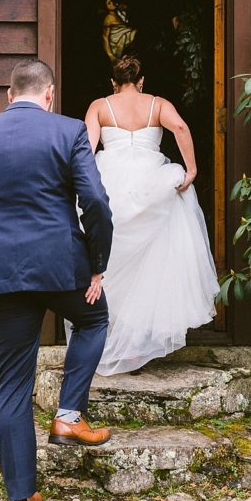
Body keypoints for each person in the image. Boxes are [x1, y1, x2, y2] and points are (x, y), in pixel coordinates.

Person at [0, 60, 115, 501]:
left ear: (8, 96)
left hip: (0, 276)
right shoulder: (67, 132)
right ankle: (68, 415)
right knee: (94, 318)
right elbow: (96, 202)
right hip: (62, 269)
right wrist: (96, 266)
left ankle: (19, 500)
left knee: (12, 385)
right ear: (50, 95)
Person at [81, 55, 220, 375]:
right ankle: (140, 342)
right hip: (151, 184)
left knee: (113, 261)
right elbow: (181, 127)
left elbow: (87, 148)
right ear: (141, 81)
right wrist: (192, 169)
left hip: (112, 184)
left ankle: (114, 336)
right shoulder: (158, 104)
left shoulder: (100, 106)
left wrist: (86, 185)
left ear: (113, 82)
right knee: (153, 260)